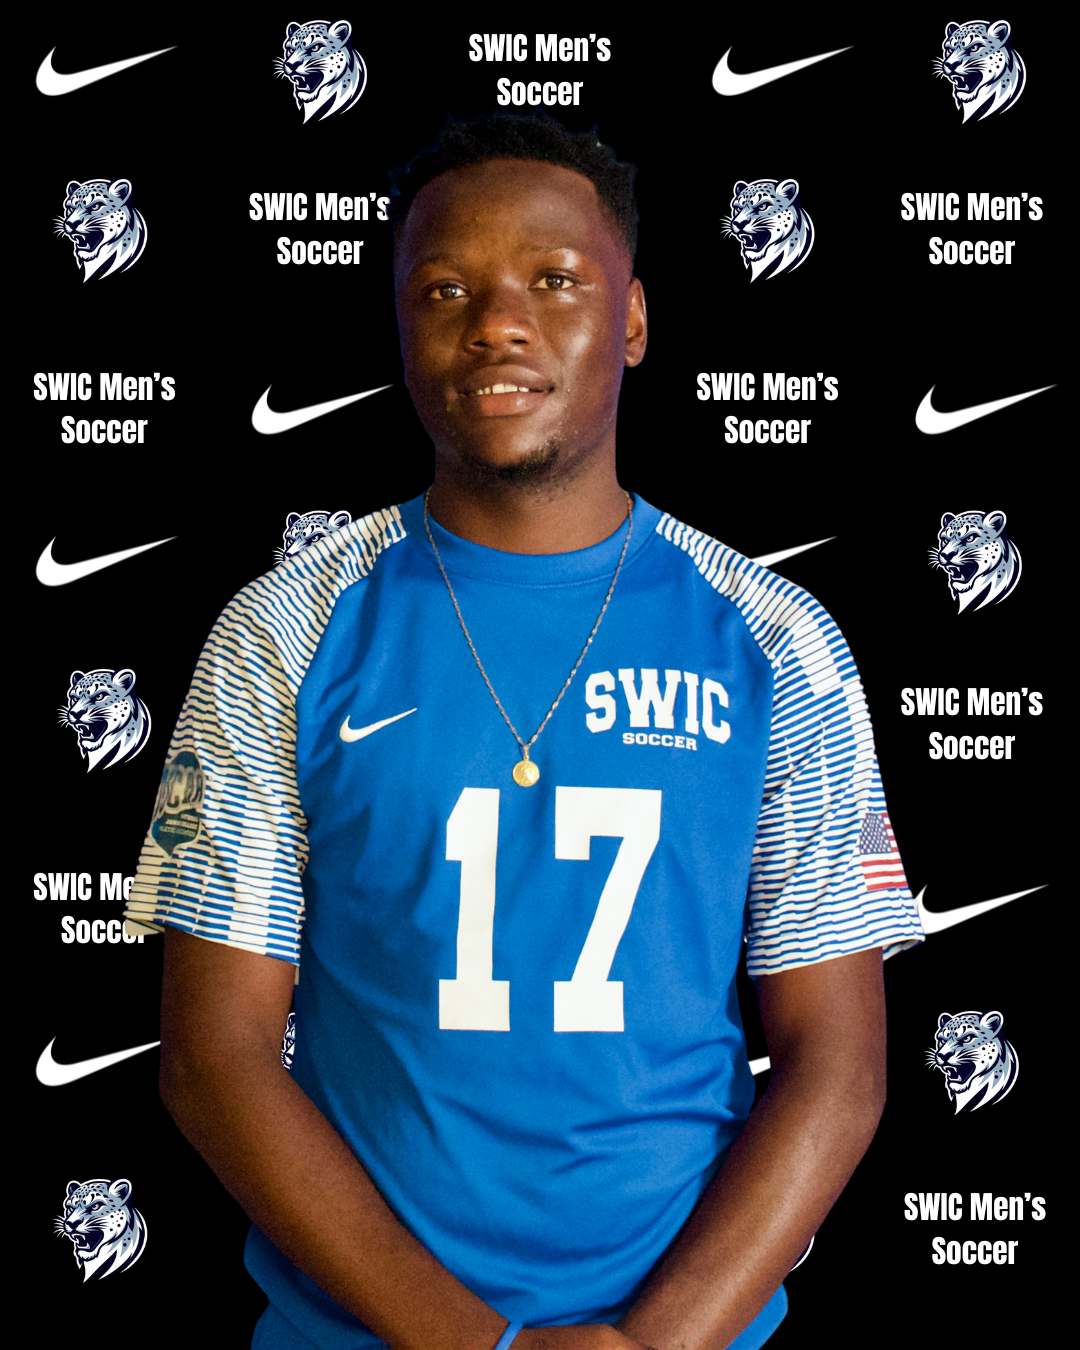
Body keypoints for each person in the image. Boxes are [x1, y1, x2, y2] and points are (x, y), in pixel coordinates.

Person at [126, 115, 922, 1350]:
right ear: (402, 331)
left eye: (553, 281)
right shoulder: (284, 631)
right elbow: (214, 1058)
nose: (497, 324)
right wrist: (477, 1348)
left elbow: (839, 1065)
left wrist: (650, 1346)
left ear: (635, 319)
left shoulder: (774, 640)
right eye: (445, 290)